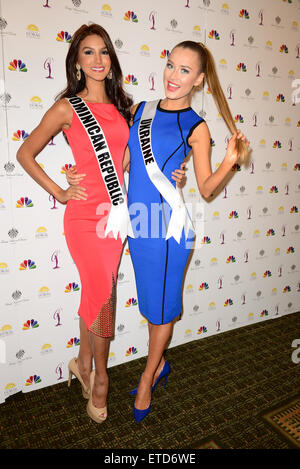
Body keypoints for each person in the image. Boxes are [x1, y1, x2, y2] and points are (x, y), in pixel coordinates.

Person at [17, 23, 185, 424]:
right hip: (83, 217)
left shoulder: (126, 110)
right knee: (104, 296)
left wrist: (172, 174)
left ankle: (80, 361)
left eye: (103, 52)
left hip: (118, 215)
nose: (97, 60)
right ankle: (101, 380)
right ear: (77, 60)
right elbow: (25, 153)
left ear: (111, 61)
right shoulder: (66, 108)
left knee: (98, 289)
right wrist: (60, 190)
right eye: (88, 52)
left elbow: (129, 162)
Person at [127, 41, 249, 423]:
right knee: (152, 305)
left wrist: (230, 160)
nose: (173, 75)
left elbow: (207, 188)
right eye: (170, 64)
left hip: (168, 231)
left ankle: (148, 376)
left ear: (198, 80)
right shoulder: (139, 110)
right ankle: (159, 363)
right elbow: (130, 163)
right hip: (138, 225)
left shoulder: (197, 126)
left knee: (161, 312)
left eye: (184, 70)